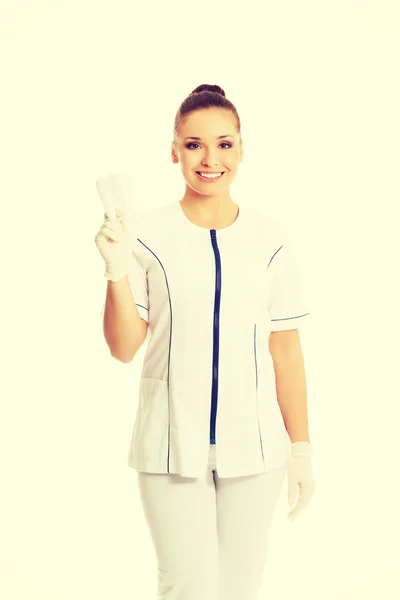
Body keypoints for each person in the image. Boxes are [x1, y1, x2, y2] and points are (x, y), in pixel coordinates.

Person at [94, 84, 316, 600]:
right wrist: (117, 270)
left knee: (240, 589)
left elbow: (286, 350)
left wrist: (301, 447)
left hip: (256, 446)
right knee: (186, 588)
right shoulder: (143, 233)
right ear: (174, 152)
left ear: (241, 150)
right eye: (194, 145)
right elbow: (124, 347)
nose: (209, 158)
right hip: (170, 443)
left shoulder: (273, 238)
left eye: (224, 143)